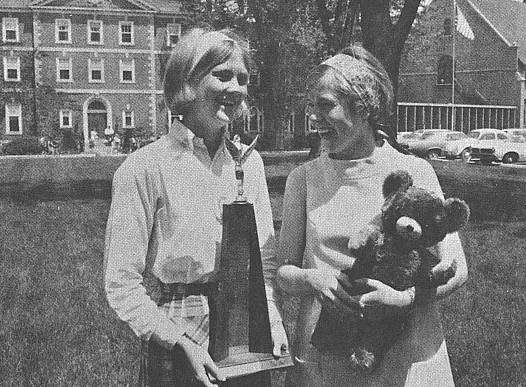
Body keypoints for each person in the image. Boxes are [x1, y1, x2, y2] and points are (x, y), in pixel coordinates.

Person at [104, 27, 288, 387]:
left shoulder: (249, 164)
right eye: (222, 76)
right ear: (187, 82)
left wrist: (274, 322)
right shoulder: (145, 167)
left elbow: (263, 263)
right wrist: (180, 343)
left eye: (243, 78)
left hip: (247, 332)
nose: (235, 88)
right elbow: (121, 284)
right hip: (177, 336)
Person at [276, 45, 468, 387]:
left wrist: (403, 299)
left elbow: (456, 267)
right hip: (326, 354)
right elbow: (284, 271)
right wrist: (313, 280)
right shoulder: (303, 179)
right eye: (312, 107)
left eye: (325, 106)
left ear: (362, 106)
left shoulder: (413, 171)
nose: (313, 118)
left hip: (408, 351)